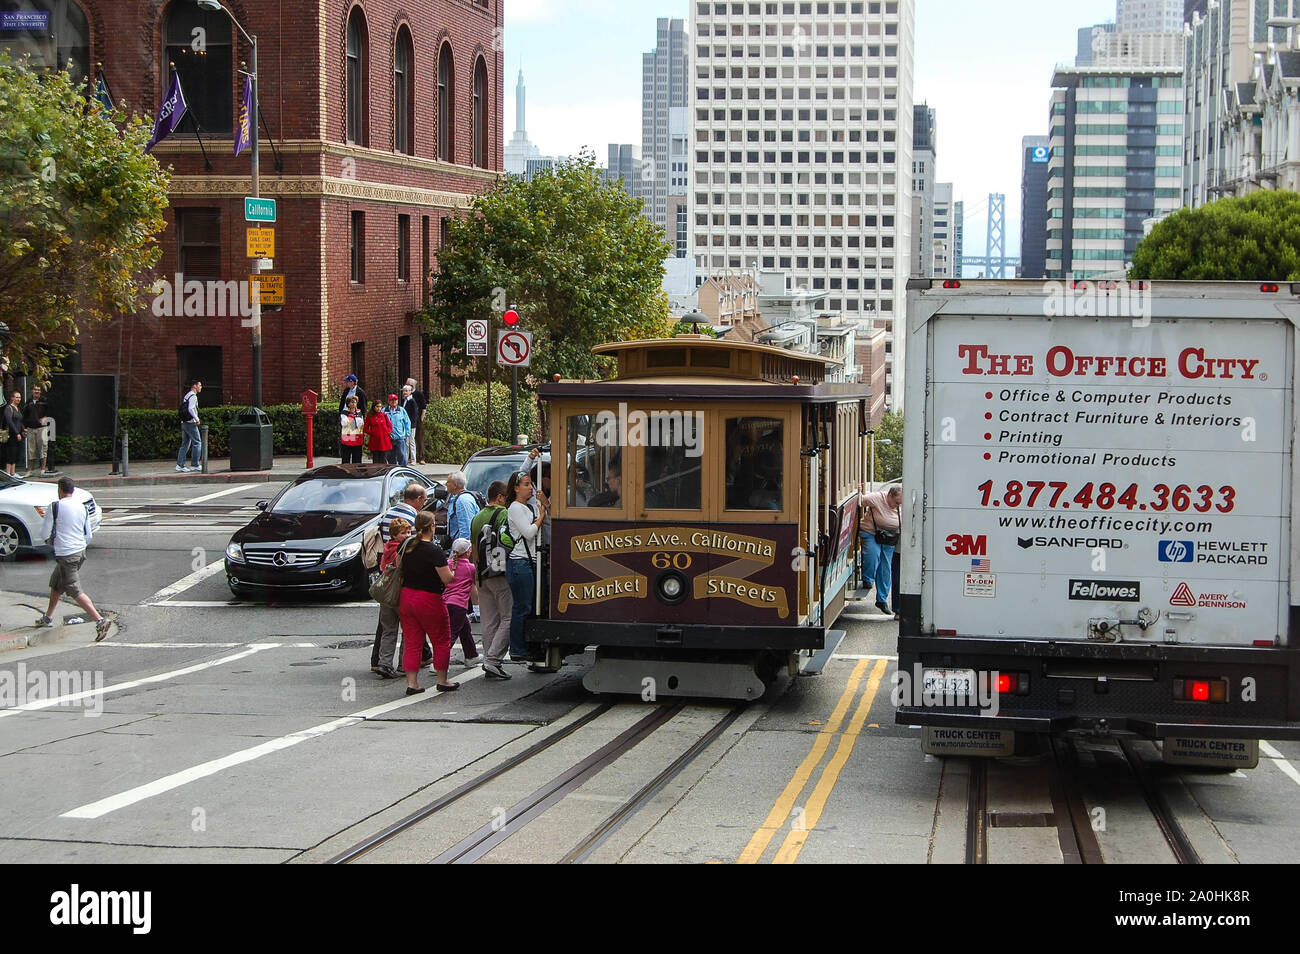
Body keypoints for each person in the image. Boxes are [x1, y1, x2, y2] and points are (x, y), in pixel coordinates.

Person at [36, 476, 116, 641]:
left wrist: (50, 542)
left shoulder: (55, 507)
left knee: (73, 588)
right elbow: (88, 534)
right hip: (79, 552)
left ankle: (100, 620)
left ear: (60, 490)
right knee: (56, 583)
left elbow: (44, 533)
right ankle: (48, 617)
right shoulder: (82, 507)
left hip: (66, 554)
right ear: (72, 490)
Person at [398, 511, 456, 694]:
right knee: (440, 640)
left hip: (406, 597)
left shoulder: (406, 546)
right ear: (432, 527)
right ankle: (442, 680)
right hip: (429, 599)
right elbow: (447, 579)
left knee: (412, 642)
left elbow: (398, 567)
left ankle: (412, 683)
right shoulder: (434, 551)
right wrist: (452, 566)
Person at [471, 480, 513, 680]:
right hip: (498, 573)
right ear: (500, 497)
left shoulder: (477, 516)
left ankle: (489, 657)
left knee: (488, 620)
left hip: (481, 573)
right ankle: (493, 659)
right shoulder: (503, 514)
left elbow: (473, 548)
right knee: (508, 617)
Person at [505, 469, 548, 662]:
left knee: (529, 606)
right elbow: (529, 532)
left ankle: (526, 646)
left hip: (529, 561)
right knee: (522, 607)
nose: (530, 487)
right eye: (526, 484)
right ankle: (517, 648)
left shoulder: (527, 506)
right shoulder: (515, 508)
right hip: (519, 562)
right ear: (515, 488)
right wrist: (541, 517)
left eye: (530, 484)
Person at [371, 516, 411, 679]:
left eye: (409, 531)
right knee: (408, 631)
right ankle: (404, 664)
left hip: (386, 595)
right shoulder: (402, 549)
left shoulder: (387, 547)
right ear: (395, 535)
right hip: (399, 593)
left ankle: (384, 663)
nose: (407, 535)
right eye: (403, 533)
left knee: (389, 630)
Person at [859, 482, 902, 615]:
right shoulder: (877, 498)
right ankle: (868, 579)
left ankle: (882, 600)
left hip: (889, 537)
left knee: (886, 568)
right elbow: (860, 500)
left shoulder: (901, 504)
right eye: (895, 503)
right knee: (874, 554)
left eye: (899, 504)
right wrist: (859, 491)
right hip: (872, 532)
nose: (896, 506)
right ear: (889, 495)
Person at [444, 538, 482, 666]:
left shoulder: (447, 564)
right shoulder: (470, 568)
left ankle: (471, 655)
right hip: (459, 605)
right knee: (452, 634)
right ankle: (440, 661)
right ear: (468, 553)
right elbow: (475, 587)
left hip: (445, 603)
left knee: (465, 628)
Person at [22, 384, 52, 476]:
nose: (37, 391)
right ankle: (30, 471)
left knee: (43, 448)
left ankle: (42, 470)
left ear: (40, 391)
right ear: (32, 390)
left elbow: (51, 411)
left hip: (41, 428)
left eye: (38, 390)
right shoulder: (28, 401)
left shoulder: (44, 400)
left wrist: (45, 417)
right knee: (31, 450)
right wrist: (24, 428)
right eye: (35, 389)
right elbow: (24, 415)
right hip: (30, 428)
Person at [443, 470, 480, 544]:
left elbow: (466, 530)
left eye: (448, 482)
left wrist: (460, 551)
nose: (445, 484)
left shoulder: (462, 501)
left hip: (462, 549)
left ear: (455, 485)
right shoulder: (458, 498)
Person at [175, 380, 202, 473]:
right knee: (197, 443)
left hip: (184, 422)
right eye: (199, 385)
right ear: (194, 386)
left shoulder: (187, 395)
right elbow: (190, 408)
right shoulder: (193, 396)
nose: (201, 387)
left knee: (185, 444)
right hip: (190, 422)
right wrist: (197, 419)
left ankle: (180, 465)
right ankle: (195, 464)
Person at [384, 393, 412, 466]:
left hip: (400, 437)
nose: (393, 402)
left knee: (402, 455)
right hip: (389, 438)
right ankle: (393, 471)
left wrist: (407, 434)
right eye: (392, 400)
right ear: (389, 401)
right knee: (390, 456)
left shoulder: (402, 410)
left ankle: (403, 470)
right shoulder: (384, 411)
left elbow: (407, 422)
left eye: (395, 400)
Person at [405, 378, 428, 464]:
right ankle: (410, 457)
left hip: (417, 419)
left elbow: (423, 407)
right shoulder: (406, 396)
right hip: (409, 419)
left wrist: (421, 418)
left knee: (419, 438)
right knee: (409, 439)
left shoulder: (418, 394)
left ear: (412, 386)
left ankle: (421, 457)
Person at [2, 390, 24, 477]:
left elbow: (19, 421)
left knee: (15, 453)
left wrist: (23, 430)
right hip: (11, 435)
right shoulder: (9, 408)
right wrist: (17, 433)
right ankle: (8, 473)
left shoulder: (18, 408)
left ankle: (13, 472)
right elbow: (9, 421)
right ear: (12, 398)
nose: (18, 399)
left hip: (17, 435)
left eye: (19, 397)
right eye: (17, 397)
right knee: (10, 453)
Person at [363, 400, 393, 464]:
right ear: (374, 407)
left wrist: (387, 432)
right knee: (376, 458)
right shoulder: (370, 416)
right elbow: (365, 428)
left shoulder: (384, 415)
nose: (379, 408)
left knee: (383, 458)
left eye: (380, 407)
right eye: (377, 406)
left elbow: (390, 426)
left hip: (384, 440)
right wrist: (372, 432)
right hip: (375, 440)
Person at [340, 395, 364, 464]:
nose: (354, 404)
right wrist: (351, 417)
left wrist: (352, 420)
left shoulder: (359, 412)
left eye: (355, 402)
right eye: (352, 402)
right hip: (347, 437)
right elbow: (344, 423)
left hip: (357, 437)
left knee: (357, 459)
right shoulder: (344, 412)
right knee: (346, 459)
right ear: (348, 404)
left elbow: (361, 423)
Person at [401, 384, 420, 464]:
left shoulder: (412, 401)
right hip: (404, 424)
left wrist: (411, 424)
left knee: (411, 441)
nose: (404, 392)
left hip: (411, 425)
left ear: (410, 392)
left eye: (406, 391)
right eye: (403, 391)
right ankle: (405, 458)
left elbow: (414, 414)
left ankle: (413, 459)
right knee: (406, 442)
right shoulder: (403, 400)